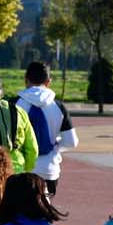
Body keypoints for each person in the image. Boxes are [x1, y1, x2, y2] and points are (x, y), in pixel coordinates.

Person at [17, 62, 79, 195]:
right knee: (45, 211)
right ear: (48, 81)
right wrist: (54, 146)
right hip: (49, 170)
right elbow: (71, 142)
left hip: (21, 169)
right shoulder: (59, 107)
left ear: (26, 79)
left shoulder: (14, 104)